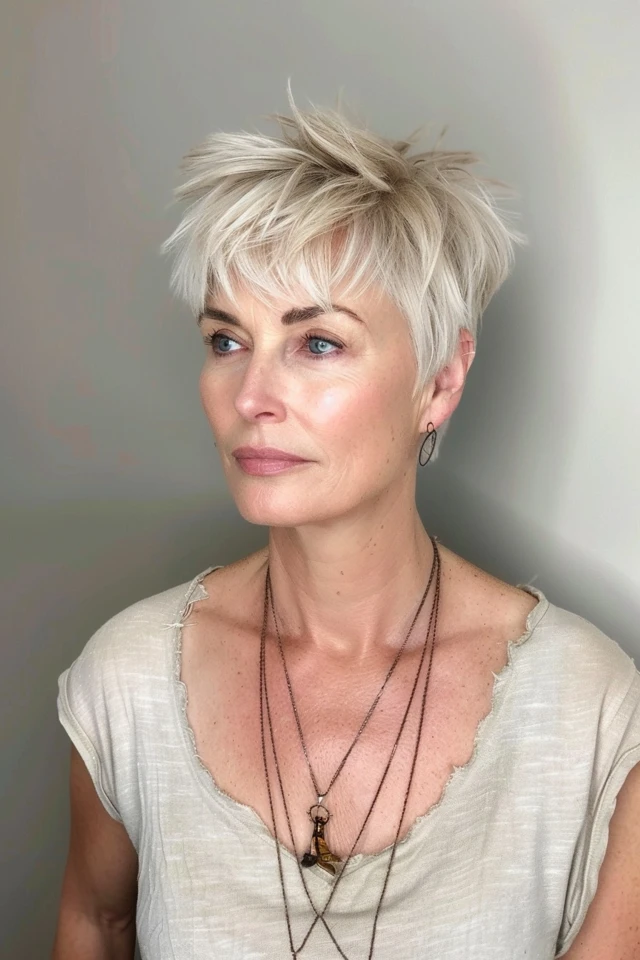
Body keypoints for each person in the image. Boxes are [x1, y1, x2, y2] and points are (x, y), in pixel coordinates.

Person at [52, 93, 640, 960]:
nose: (252, 397)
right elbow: (95, 920)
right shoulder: (128, 681)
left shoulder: (584, 708)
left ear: (441, 380)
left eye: (317, 343)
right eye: (226, 341)